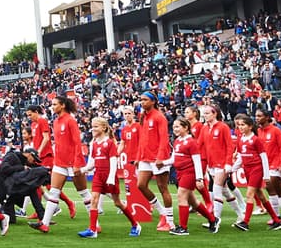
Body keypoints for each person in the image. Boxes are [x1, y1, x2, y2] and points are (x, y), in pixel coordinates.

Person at [30, 95, 89, 234]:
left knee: (84, 193)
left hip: (72, 163)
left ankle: (95, 224)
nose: (52, 106)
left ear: (62, 105)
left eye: (55, 104)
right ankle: (44, 224)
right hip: (59, 162)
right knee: (53, 193)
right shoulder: (56, 122)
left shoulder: (70, 121)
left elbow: (77, 143)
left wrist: (77, 163)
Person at [78, 117, 139, 239]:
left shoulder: (110, 143)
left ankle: (135, 224)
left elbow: (113, 161)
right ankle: (92, 229)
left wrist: (111, 177)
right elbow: (92, 163)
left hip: (109, 176)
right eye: (92, 126)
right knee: (94, 200)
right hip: (98, 175)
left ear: (104, 128)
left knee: (117, 203)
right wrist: (82, 170)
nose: (93, 129)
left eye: (96, 126)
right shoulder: (94, 143)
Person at [232, 113, 281, 231]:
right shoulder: (240, 139)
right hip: (247, 169)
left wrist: (266, 175)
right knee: (260, 194)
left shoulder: (256, 140)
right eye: (239, 125)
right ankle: (276, 220)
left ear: (250, 126)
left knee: (250, 194)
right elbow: (241, 157)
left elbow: (264, 157)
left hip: (256, 168)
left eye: (243, 125)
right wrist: (232, 169)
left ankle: (245, 222)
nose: (240, 127)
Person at [169, 117, 216, 236]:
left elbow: (197, 161)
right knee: (193, 201)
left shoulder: (191, 142)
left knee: (181, 195)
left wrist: (199, 178)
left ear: (186, 128)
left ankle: (183, 228)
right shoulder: (177, 140)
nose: (175, 129)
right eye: (174, 127)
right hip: (180, 172)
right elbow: (174, 158)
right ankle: (212, 219)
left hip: (189, 172)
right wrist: (162, 163)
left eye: (178, 126)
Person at [135, 93, 173, 232]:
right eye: (141, 100)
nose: (142, 102)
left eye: (145, 100)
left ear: (153, 102)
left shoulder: (159, 117)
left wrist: (161, 157)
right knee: (141, 185)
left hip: (157, 158)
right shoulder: (143, 116)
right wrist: (138, 157)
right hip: (145, 157)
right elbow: (142, 139)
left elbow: (164, 138)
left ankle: (170, 221)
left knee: (163, 188)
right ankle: (162, 212)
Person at [200, 104, 242, 224]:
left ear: (215, 113)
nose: (205, 115)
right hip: (211, 164)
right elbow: (200, 145)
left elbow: (229, 146)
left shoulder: (223, 127)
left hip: (222, 164)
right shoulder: (204, 128)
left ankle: (215, 219)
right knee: (224, 191)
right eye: (204, 113)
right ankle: (240, 214)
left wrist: (228, 163)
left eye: (207, 113)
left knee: (216, 188)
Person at [255, 109, 281, 230]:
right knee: (270, 189)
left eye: (259, 116)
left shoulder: (275, 130)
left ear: (267, 117)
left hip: (275, 163)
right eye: (256, 116)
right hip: (265, 165)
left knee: (277, 189)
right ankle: (277, 216)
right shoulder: (258, 131)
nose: (257, 118)